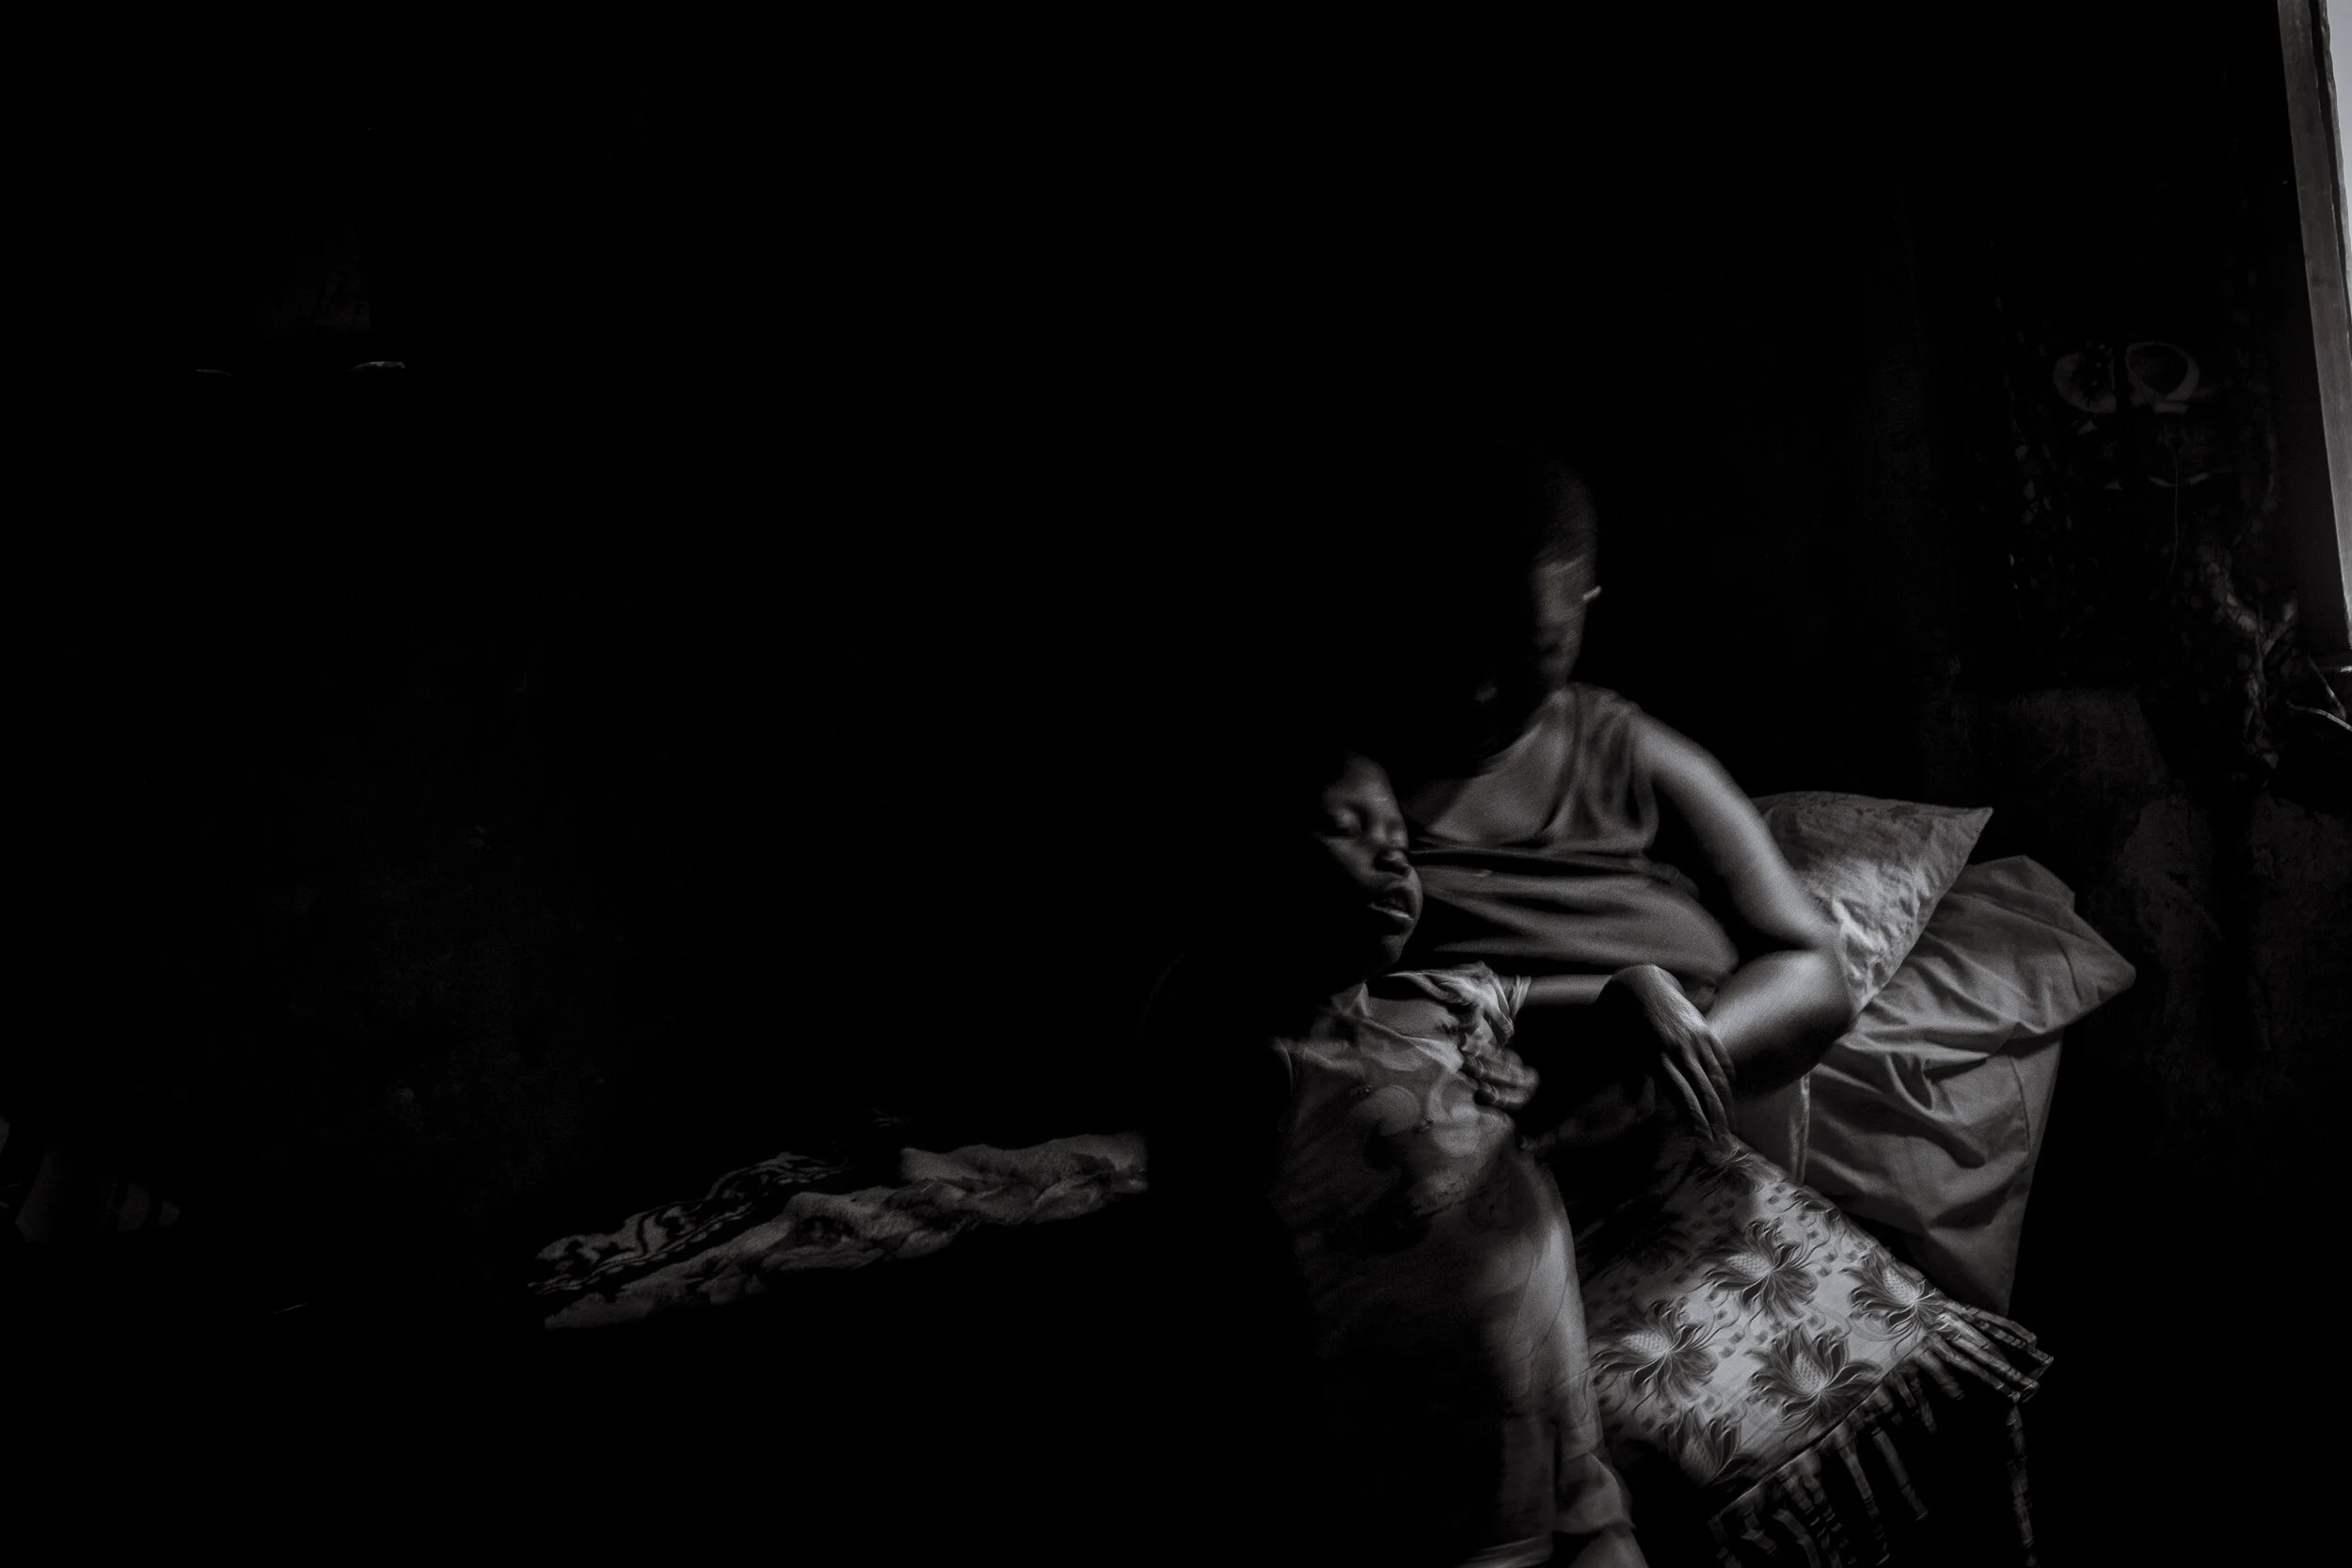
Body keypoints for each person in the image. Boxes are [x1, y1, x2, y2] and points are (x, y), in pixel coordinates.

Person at [1137, 742, 1652, 1568]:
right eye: (1346, 829)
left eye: (1404, 844)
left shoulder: (1446, 997)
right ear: (1254, 873)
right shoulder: (1263, 1051)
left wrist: (1642, 983)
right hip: (1432, 1503)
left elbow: (1602, 999)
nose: (1391, 855)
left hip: (1569, 1469)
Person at [1371, 440, 1854, 1136]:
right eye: (1457, 642)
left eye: (1527, 650)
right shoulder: (1353, 802)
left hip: (1674, 1131)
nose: (1481, 689)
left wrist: (1669, 1065)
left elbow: (1815, 971)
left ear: (1584, 608)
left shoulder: (1629, 750)